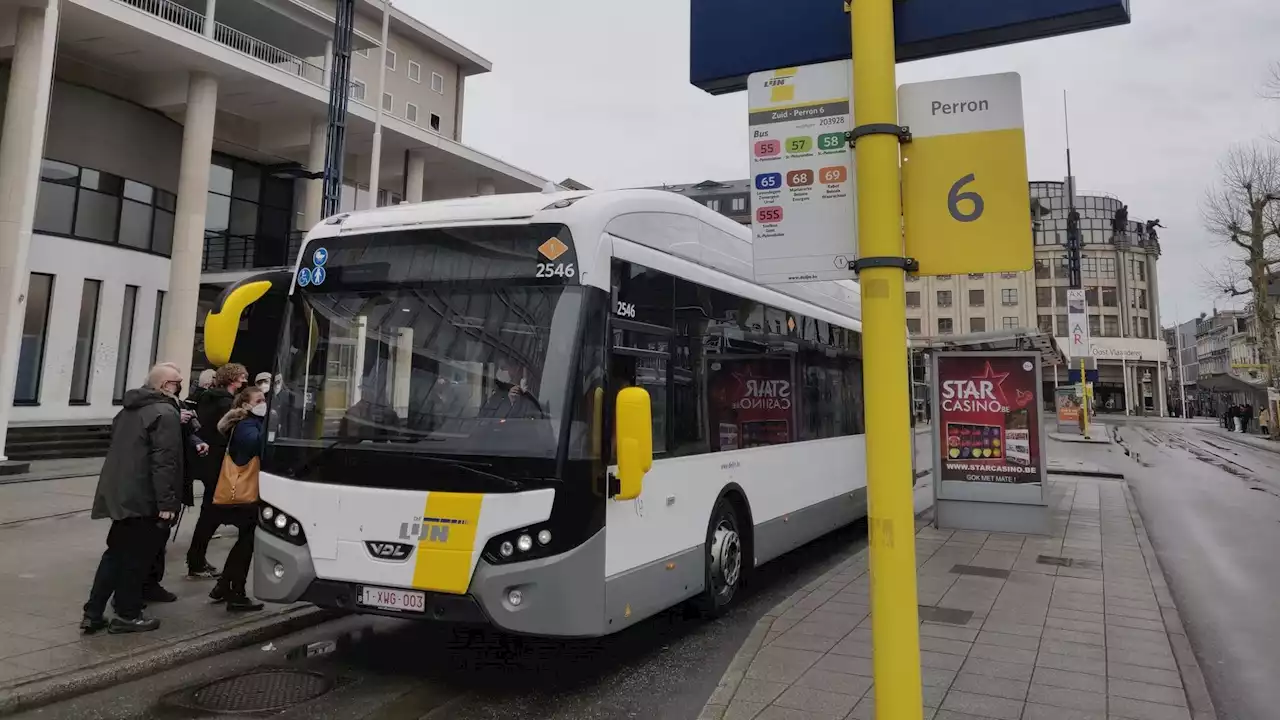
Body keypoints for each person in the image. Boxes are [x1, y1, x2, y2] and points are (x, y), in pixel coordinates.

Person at [81, 364, 186, 634]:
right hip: (144, 497)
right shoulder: (165, 413)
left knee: (115, 554)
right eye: (177, 382)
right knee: (137, 559)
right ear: (165, 386)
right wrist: (167, 504)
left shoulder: (128, 409)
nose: (181, 386)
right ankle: (127, 614)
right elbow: (165, 463)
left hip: (121, 494)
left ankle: (93, 613)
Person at [186, 363, 248, 579]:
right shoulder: (225, 403)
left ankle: (197, 559)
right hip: (219, 462)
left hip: (208, 461)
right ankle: (196, 560)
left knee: (210, 512)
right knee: (212, 513)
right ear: (233, 378)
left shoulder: (208, 398)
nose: (245, 379)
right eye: (242, 376)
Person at [209, 387, 267, 612]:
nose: (263, 403)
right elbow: (257, 445)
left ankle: (225, 586)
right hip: (245, 495)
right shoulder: (246, 425)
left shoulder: (250, 423)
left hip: (249, 494)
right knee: (246, 544)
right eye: (259, 400)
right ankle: (235, 592)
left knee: (245, 542)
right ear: (245, 405)